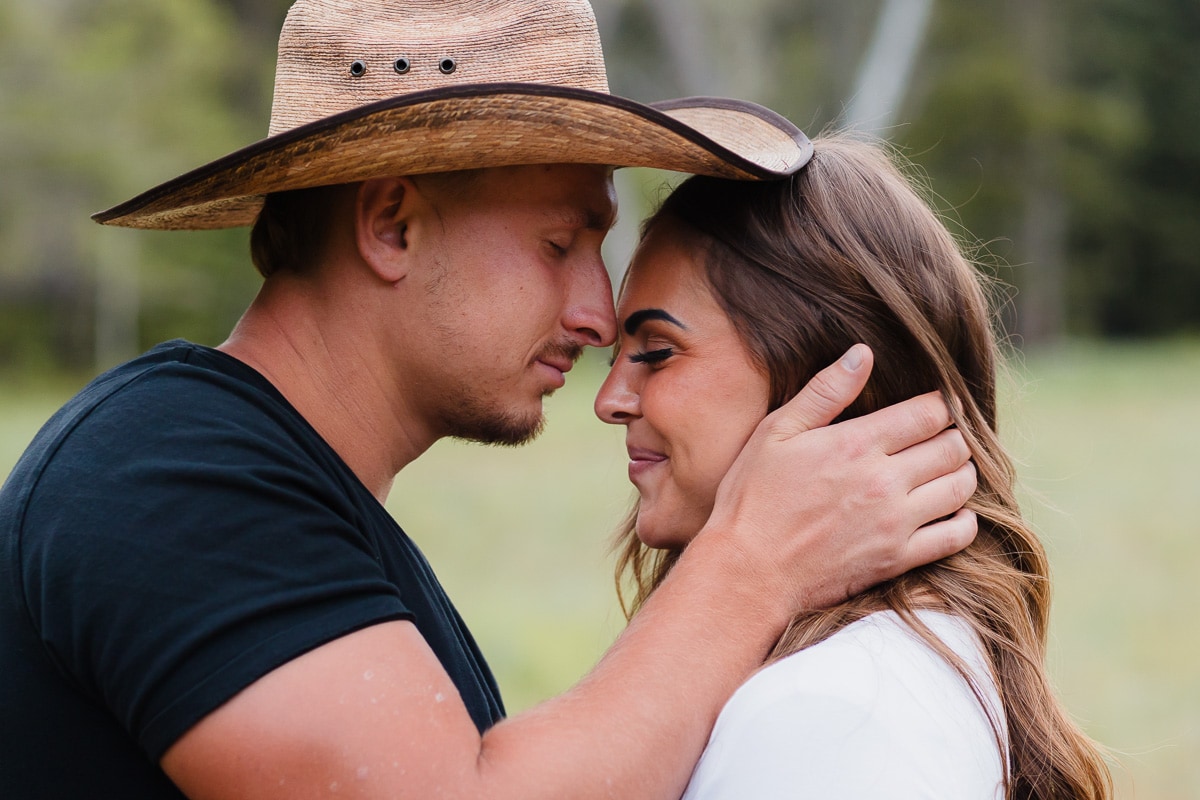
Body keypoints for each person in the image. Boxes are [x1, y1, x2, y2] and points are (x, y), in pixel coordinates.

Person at [0, 4, 978, 799]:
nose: (598, 313)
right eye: (562, 243)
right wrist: (755, 564)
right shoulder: (169, 471)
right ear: (392, 222)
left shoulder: (291, 506)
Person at [596, 133, 1113, 799]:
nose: (610, 400)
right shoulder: (855, 681)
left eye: (658, 350)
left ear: (829, 380)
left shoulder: (830, 716)